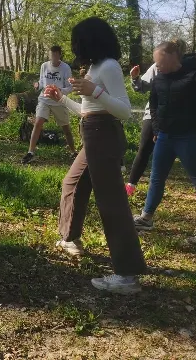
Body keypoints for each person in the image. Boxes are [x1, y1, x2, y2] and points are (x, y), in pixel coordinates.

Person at [45, 17, 146, 294]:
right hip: (92, 132)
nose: (75, 48)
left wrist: (95, 90)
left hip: (103, 135)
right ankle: (70, 238)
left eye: (78, 42)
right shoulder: (94, 67)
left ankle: (127, 275)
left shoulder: (110, 66)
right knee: (72, 182)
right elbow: (87, 110)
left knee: (111, 203)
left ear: (91, 41)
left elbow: (124, 111)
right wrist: (62, 99)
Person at [133, 41, 196, 247]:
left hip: (188, 138)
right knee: (156, 178)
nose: (155, 65)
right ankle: (146, 218)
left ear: (172, 57)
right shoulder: (160, 77)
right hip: (164, 137)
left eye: (158, 61)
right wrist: (156, 127)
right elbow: (153, 103)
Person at [126, 39, 187, 196]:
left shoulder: (188, 68)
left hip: (177, 116)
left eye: (179, 49)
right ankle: (130, 185)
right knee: (144, 149)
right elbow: (142, 86)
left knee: (186, 151)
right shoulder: (156, 66)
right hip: (152, 114)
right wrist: (135, 78)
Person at [22, 45, 75, 164]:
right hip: (44, 99)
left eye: (55, 55)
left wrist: (59, 90)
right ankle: (30, 152)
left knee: (66, 128)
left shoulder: (65, 68)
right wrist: (38, 85)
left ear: (60, 55)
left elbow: (70, 87)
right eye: (51, 55)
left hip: (58, 101)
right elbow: (42, 81)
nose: (53, 58)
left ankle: (73, 152)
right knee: (38, 122)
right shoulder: (44, 66)